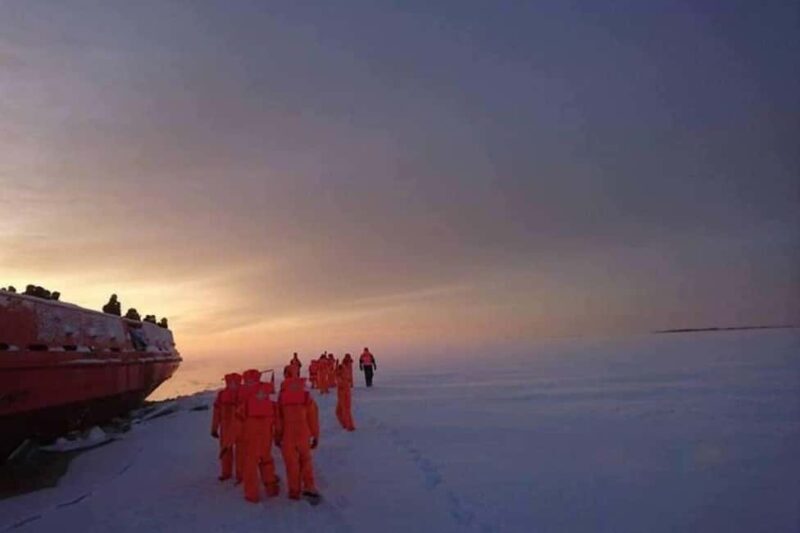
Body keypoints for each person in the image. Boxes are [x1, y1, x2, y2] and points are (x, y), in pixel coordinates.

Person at [276, 367, 321, 502]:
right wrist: (315, 435)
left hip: (288, 435)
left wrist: (277, 437)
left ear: (285, 376)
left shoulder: (282, 396)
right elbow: (313, 418)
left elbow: (279, 420)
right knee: (305, 460)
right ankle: (309, 486)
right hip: (303, 433)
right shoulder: (306, 396)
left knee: (291, 464)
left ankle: (294, 491)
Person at [237, 370, 280, 503]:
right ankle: (271, 488)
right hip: (267, 432)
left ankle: (252, 495)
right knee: (266, 459)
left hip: (250, 433)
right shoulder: (266, 389)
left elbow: (238, 416)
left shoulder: (243, 392)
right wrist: (278, 434)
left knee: (250, 464)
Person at [211, 373, 242, 481]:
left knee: (226, 450)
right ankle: (240, 475)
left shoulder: (222, 394)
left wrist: (214, 428)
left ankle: (226, 473)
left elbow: (216, 413)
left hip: (226, 426)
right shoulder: (244, 393)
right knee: (241, 452)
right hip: (240, 427)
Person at [335, 362, 356, 431]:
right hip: (342, 395)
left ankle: (349, 426)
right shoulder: (342, 373)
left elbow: (336, 375)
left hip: (344, 395)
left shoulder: (342, 375)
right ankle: (346, 424)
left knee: (345, 410)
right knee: (339, 411)